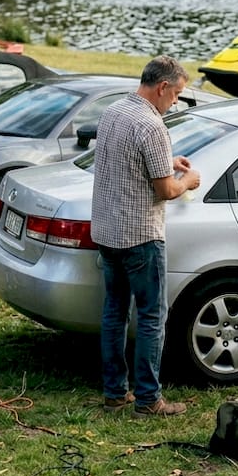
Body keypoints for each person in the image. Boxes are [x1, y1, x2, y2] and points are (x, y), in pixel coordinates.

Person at [92, 55, 201, 418]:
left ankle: (114, 392)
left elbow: (126, 162)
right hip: (140, 235)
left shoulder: (114, 112)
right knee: (153, 316)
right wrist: (187, 180)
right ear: (163, 87)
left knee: (115, 311)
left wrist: (169, 161)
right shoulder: (152, 126)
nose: (176, 102)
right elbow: (166, 190)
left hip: (107, 230)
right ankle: (149, 399)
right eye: (177, 94)